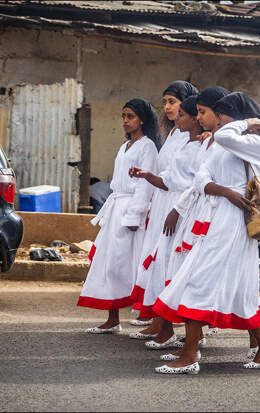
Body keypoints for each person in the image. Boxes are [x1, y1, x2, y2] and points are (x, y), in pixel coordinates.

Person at [152, 92, 260, 374]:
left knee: (199, 280)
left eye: (220, 115)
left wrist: (246, 123)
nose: (214, 120)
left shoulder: (254, 142)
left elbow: (224, 138)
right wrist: (222, 190)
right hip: (214, 215)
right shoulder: (221, 141)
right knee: (236, 285)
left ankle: (190, 354)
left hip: (233, 222)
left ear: (234, 115)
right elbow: (201, 177)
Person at [77, 98, 160, 333]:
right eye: (123, 116)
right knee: (108, 264)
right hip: (116, 209)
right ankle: (112, 318)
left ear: (142, 119)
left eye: (130, 116)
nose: (125, 121)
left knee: (134, 265)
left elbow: (146, 185)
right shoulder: (124, 147)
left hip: (132, 211)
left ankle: (152, 319)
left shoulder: (147, 147)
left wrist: (135, 215)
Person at [128, 95, 203, 348]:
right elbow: (169, 178)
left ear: (195, 118)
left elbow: (195, 186)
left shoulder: (201, 146)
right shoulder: (182, 142)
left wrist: (177, 210)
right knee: (164, 266)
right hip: (170, 206)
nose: (175, 116)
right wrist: (147, 175)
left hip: (183, 211)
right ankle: (166, 328)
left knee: (176, 268)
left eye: (181, 113)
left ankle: (177, 333)